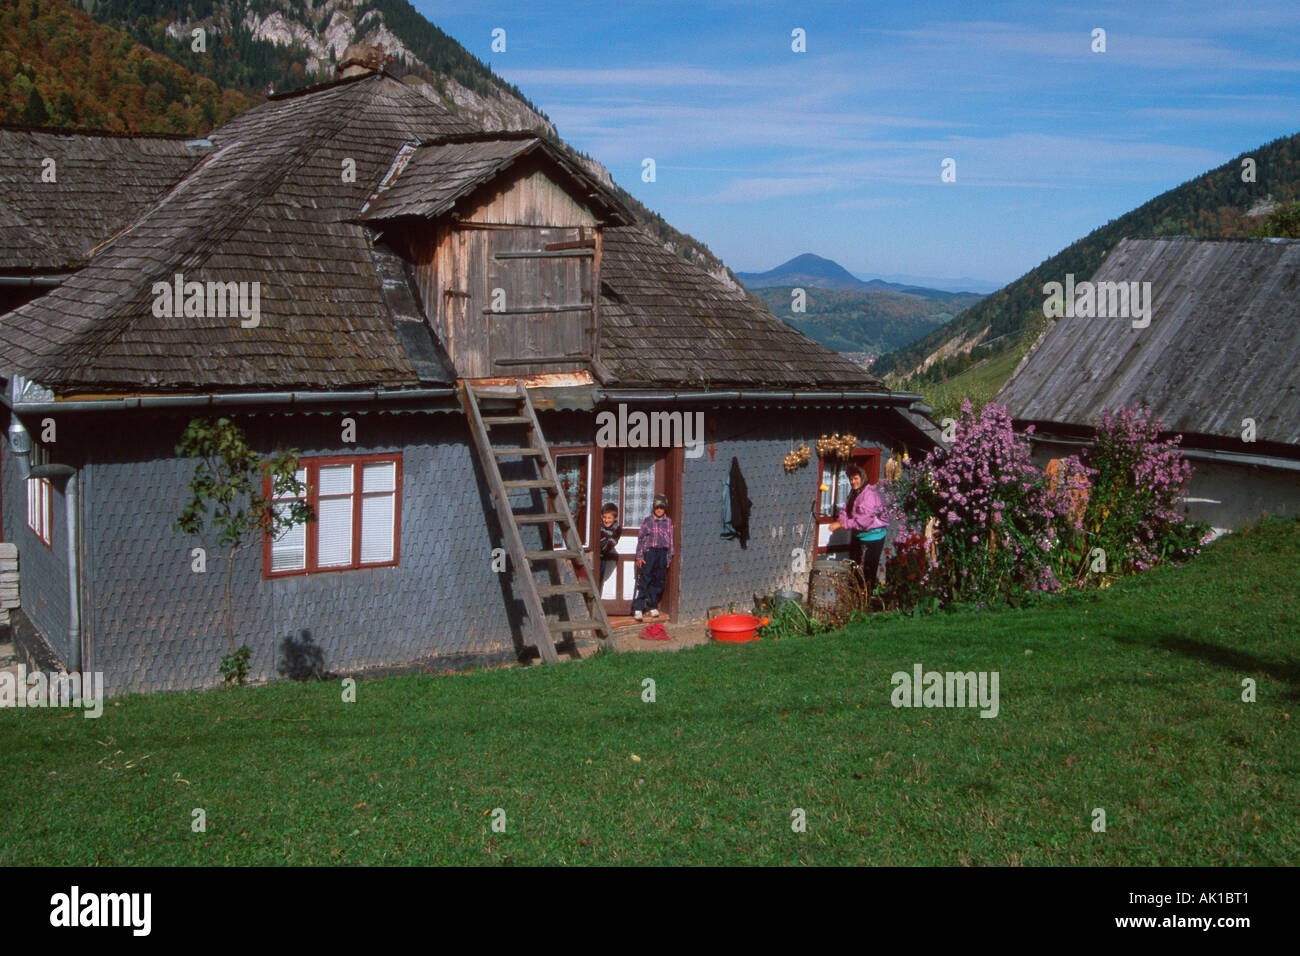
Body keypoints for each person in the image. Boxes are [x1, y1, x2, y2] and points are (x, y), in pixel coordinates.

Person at [826, 465, 888, 593]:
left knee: (866, 572)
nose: (853, 482)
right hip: (859, 536)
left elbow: (864, 521)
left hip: (873, 537)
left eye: (856, 478)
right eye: (851, 479)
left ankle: (865, 602)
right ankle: (856, 599)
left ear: (862, 478)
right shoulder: (854, 493)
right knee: (855, 568)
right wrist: (840, 520)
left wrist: (842, 525)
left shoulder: (869, 495)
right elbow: (846, 509)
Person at [632, 493, 674, 621]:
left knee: (659, 580)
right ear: (653, 508)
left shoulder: (669, 522)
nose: (659, 510)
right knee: (645, 579)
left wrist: (669, 558)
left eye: (661, 507)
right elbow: (640, 539)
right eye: (657, 507)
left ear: (665, 508)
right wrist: (639, 556)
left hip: (662, 553)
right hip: (650, 553)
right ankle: (638, 607)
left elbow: (671, 540)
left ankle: (652, 606)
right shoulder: (648, 521)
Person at [598, 503, 620, 585]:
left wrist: (601, 542)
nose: (606, 520)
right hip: (596, 557)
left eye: (609, 518)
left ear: (615, 518)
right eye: (604, 517)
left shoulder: (617, 530)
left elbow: (607, 546)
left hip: (603, 558)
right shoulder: (598, 526)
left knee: (599, 580)